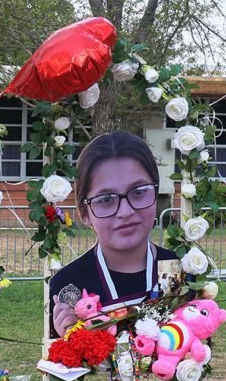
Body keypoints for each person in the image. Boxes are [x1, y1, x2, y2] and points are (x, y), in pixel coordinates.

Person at [48, 131, 176, 337]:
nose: (126, 212)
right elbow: (54, 365)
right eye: (106, 199)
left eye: (139, 191)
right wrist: (68, 343)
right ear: (83, 212)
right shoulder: (66, 287)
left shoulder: (180, 271)